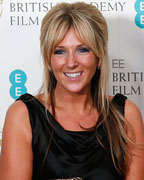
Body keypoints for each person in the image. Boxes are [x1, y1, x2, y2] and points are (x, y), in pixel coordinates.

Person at [0, 2, 144, 180]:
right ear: (48, 59)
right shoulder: (23, 115)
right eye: (60, 52)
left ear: (99, 57)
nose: (71, 62)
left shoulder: (126, 115)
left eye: (82, 50)